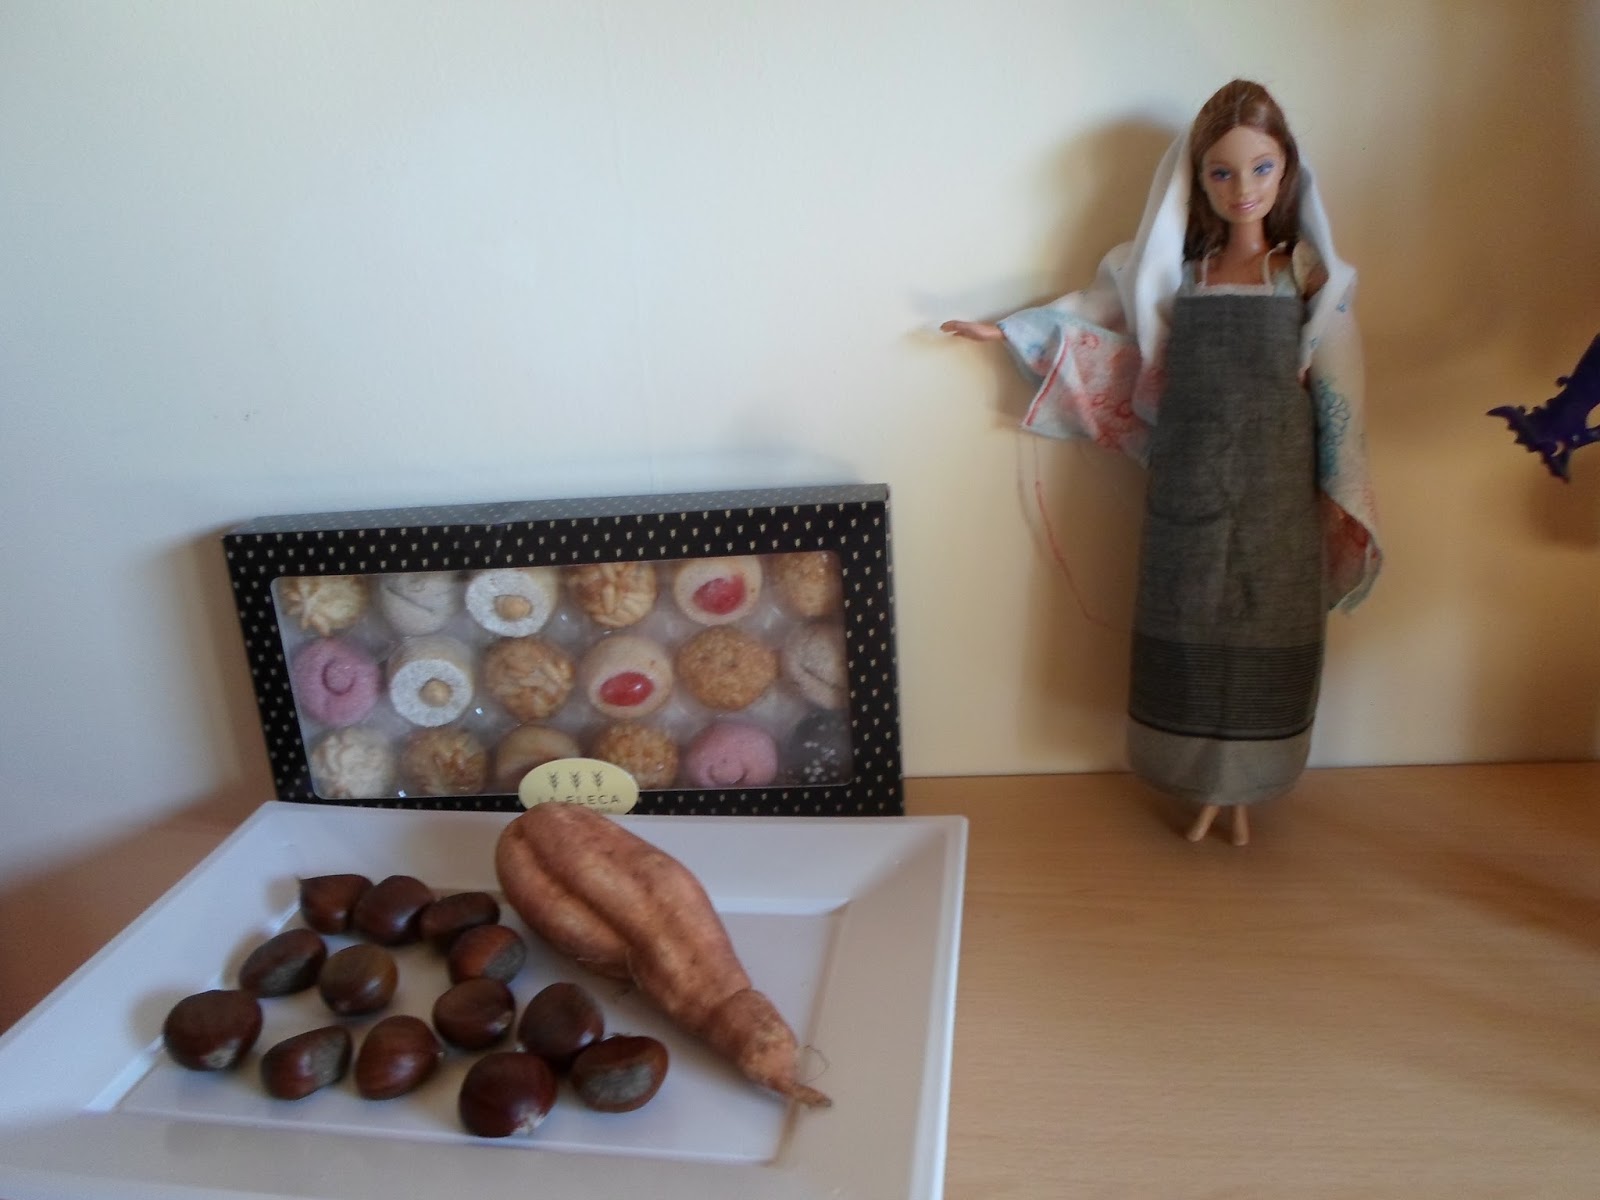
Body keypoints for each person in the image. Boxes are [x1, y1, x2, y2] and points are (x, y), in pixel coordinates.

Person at [944, 81, 1381, 845]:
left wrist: (1339, 477)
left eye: (1261, 168)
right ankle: (1198, 787)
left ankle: (1245, 794)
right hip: (1190, 481)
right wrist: (1011, 330)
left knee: (1268, 620)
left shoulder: (1303, 271)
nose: (1242, 189)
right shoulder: (1181, 272)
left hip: (1278, 491)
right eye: (1222, 172)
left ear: (1286, 169)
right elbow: (1098, 311)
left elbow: (1339, 372)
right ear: (1197, 178)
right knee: (1188, 616)